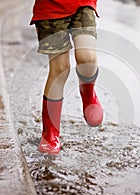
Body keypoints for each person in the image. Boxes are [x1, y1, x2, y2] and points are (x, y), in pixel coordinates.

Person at [30, 0, 103, 154]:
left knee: (87, 58)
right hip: (50, 7)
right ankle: (50, 133)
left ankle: (88, 93)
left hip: (83, 3)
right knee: (60, 69)